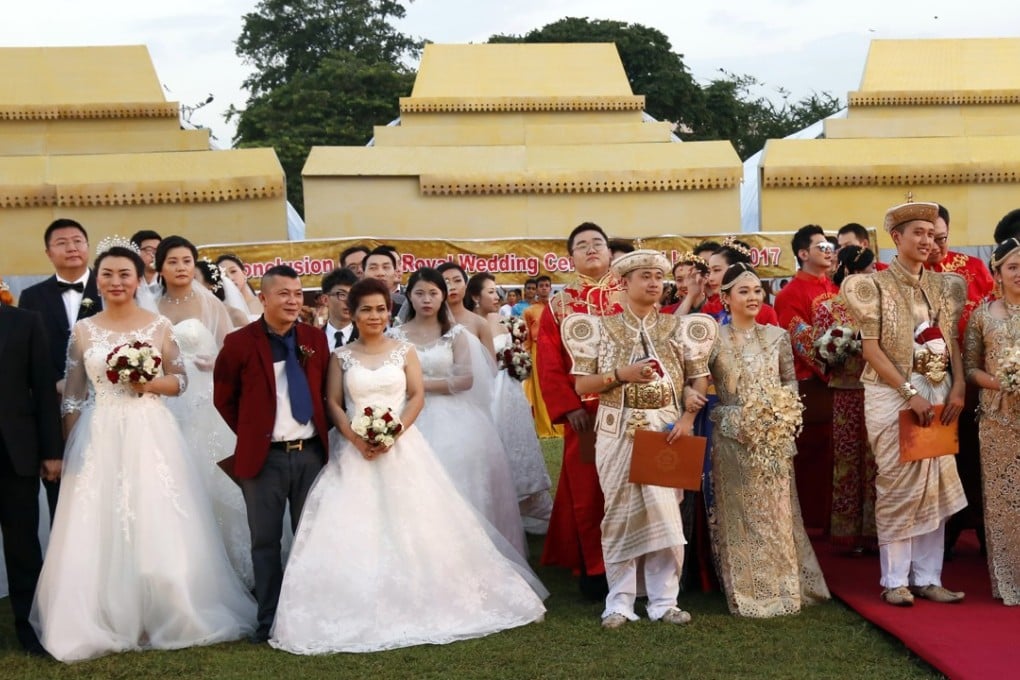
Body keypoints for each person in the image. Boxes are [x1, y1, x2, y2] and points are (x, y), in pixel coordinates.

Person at [269, 278, 546, 654]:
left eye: (381, 308)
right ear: (354, 312)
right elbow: (333, 401)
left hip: (402, 447)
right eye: (366, 309)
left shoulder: (404, 351)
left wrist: (393, 432)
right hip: (354, 451)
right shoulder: (342, 356)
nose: (374, 316)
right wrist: (355, 436)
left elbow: (415, 396)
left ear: (389, 310)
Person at [31, 240, 255, 662]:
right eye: (108, 275)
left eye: (125, 275)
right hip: (101, 434)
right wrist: (71, 448)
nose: (116, 282)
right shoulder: (84, 330)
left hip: (151, 431)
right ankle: (107, 614)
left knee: (157, 515)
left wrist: (149, 384)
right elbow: (74, 396)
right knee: (101, 522)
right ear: (97, 280)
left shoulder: (157, 327)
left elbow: (180, 380)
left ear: (138, 280)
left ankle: (166, 611)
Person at [561, 250, 715, 628]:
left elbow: (698, 379)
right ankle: (620, 602)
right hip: (617, 432)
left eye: (658, 277)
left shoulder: (678, 328)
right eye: (644, 276)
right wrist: (621, 374)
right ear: (624, 283)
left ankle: (664, 600)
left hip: (667, 431)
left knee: (667, 515)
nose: (652, 283)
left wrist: (690, 413)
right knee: (618, 517)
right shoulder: (600, 327)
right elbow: (582, 384)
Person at [843, 200, 968, 607]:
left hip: (938, 391)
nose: (927, 241)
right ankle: (895, 579)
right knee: (898, 484)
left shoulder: (943, 285)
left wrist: (959, 387)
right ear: (897, 238)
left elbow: (952, 344)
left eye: (932, 235)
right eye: (919, 233)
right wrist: (908, 392)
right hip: (891, 393)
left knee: (936, 486)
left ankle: (928, 577)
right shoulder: (876, 285)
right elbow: (871, 350)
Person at [213, 265, 330, 643]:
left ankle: (310, 614)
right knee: (265, 542)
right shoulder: (239, 342)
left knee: (310, 537)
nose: (293, 300)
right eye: (284, 293)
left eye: (298, 293)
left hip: (311, 454)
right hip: (263, 459)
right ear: (263, 298)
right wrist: (255, 434)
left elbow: (325, 391)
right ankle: (268, 619)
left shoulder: (314, 338)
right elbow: (224, 398)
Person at [707, 262, 830, 617]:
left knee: (778, 512)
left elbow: (790, 380)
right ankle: (750, 590)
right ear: (725, 298)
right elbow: (698, 385)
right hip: (733, 433)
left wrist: (782, 410)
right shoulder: (713, 338)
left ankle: (785, 587)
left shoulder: (777, 336)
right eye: (743, 291)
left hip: (774, 436)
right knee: (743, 512)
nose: (752, 297)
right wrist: (730, 414)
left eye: (757, 291)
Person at [391, 268, 526, 555]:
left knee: (460, 481)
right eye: (419, 293)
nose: (427, 299)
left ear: (442, 296)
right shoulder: (394, 335)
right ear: (409, 296)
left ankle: (468, 550)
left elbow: (467, 379)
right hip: (407, 417)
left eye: (433, 293)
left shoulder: (456, 335)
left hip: (454, 418)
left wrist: (418, 385)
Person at [156, 236, 253, 588]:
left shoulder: (209, 302)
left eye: (186, 261)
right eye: (173, 261)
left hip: (208, 397)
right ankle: (189, 567)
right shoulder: (153, 306)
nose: (180, 268)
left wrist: (217, 362)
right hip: (168, 401)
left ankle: (236, 567)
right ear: (160, 267)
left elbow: (234, 347)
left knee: (217, 477)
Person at [538, 222, 624, 599]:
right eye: (582, 245)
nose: (591, 249)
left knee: (633, 486)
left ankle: (638, 567)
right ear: (570, 256)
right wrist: (567, 405)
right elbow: (549, 362)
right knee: (590, 492)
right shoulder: (559, 305)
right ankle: (597, 570)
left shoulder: (632, 292)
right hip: (586, 415)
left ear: (608, 252)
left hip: (633, 407)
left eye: (598, 243)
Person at [18, 218, 102, 517]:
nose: (72, 248)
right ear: (48, 252)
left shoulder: (109, 288)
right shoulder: (32, 297)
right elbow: (27, 353)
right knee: (65, 496)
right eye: (62, 243)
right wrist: (53, 382)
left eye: (78, 241)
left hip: (105, 405)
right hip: (54, 410)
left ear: (88, 246)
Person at [467, 272, 554, 534]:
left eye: (497, 291)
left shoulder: (503, 319)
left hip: (511, 390)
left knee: (519, 442)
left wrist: (518, 361)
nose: (497, 296)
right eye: (491, 291)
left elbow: (515, 350)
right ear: (475, 296)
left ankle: (529, 505)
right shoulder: (467, 324)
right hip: (487, 392)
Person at [0, 293, 62, 656]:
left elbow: (42, 389)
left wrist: (52, 451)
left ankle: (31, 629)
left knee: (23, 546)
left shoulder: (24, 322)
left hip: (15, 453)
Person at [963, 237, 1020, 606]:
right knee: (1003, 500)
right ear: (996, 272)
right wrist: (1003, 382)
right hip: (998, 419)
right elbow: (969, 369)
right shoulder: (982, 316)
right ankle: (1009, 580)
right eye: (1013, 267)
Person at [774, 225, 838, 535]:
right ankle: (813, 524)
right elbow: (799, 339)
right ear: (803, 253)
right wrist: (834, 364)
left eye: (830, 246)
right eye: (821, 246)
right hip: (811, 385)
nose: (828, 251)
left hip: (840, 385)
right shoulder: (790, 294)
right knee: (813, 456)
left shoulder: (837, 289)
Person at [813, 246, 878, 552]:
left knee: (878, 459)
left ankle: (876, 531)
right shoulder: (827, 307)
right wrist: (835, 349)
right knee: (847, 460)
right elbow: (820, 353)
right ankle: (847, 533)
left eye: (874, 271)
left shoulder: (880, 304)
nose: (872, 276)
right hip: (845, 393)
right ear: (851, 272)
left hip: (879, 390)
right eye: (866, 271)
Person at [522, 275, 561, 439]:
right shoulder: (529, 311)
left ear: (550, 288)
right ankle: (544, 427)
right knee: (539, 389)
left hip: (556, 349)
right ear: (537, 289)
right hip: (537, 350)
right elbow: (526, 336)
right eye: (541, 286)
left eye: (547, 285)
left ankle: (560, 426)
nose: (544, 288)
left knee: (557, 386)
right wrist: (527, 354)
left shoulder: (557, 308)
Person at [438, 262, 496, 357]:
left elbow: (491, 366)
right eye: (446, 282)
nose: (452, 287)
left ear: (465, 285)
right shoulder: (431, 321)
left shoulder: (480, 323)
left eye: (457, 281)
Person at [321, 267, 358, 352]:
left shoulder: (365, 337)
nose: (349, 301)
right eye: (342, 294)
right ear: (325, 300)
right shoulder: (313, 339)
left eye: (353, 295)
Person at [217, 254, 263, 320]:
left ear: (244, 274)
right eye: (224, 275)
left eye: (233, 271)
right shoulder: (222, 310)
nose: (230, 278)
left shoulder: (265, 302)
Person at [363, 247, 404, 318]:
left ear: (395, 272)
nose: (380, 273)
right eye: (373, 268)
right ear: (363, 273)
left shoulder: (405, 305)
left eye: (386, 267)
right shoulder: (351, 304)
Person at [130, 230, 163, 299]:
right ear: (135, 252)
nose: (154, 255)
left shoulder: (168, 280)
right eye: (149, 250)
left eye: (158, 250)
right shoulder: (129, 281)